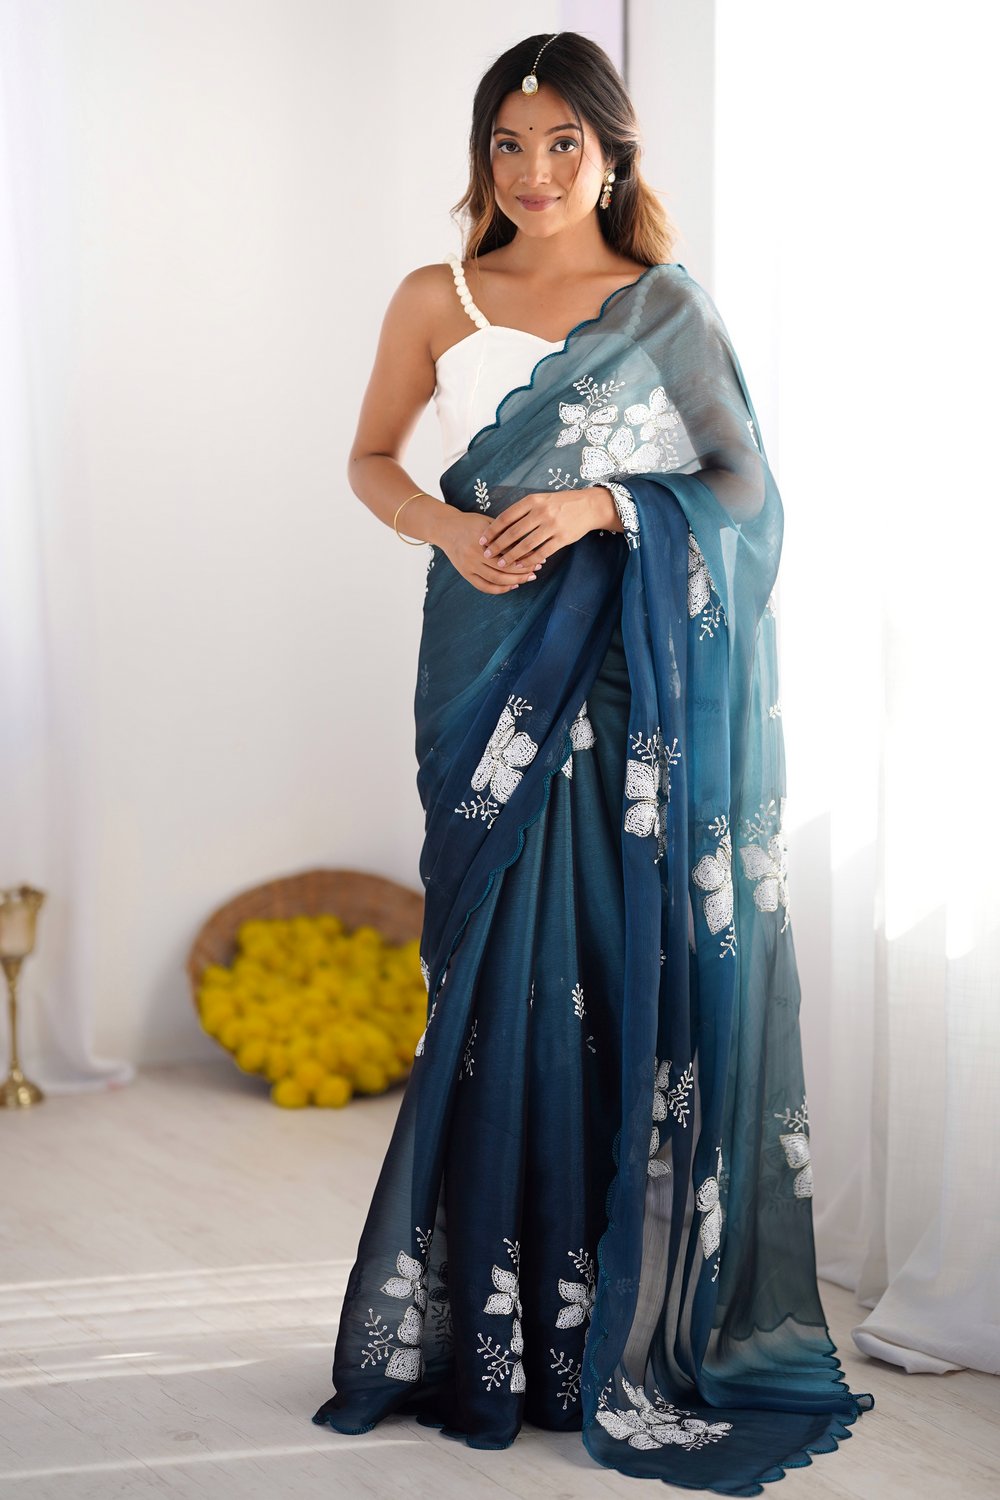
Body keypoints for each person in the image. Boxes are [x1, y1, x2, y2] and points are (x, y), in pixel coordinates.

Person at [311, 30, 875, 1492]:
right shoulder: (436, 297)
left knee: (613, 973)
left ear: (613, 154)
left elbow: (743, 492)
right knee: (489, 984)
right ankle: (483, 1333)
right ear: (482, 156)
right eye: (509, 143)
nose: (536, 170)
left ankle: (608, 1329)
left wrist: (606, 508)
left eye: (566, 142)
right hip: (484, 671)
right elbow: (372, 457)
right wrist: (451, 528)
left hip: (624, 685)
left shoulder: (663, 305)